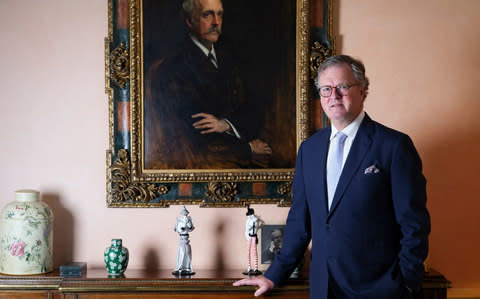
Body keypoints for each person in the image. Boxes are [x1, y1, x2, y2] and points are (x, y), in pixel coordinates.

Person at [233, 55, 430, 298]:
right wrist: (274, 274)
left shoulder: (394, 146)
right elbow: (299, 221)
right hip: (324, 288)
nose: (333, 96)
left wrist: (406, 282)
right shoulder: (310, 149)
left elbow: (414, 224)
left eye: (343, 87)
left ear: (362, 89)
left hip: (380, 288)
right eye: (326, 89)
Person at [145, 0, 272, 169]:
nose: (216, 22)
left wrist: (224, 124)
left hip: (236, 149)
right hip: (203, 161)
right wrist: (247, 149)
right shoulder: (175, 67)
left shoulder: (230, 56)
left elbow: (253, 107)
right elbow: (194, 134)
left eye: (219, 14)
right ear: (189, 21)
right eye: (207, 15)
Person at [173, 206, 195, 275]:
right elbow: (176, 228)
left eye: (186, 213)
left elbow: (191, 228)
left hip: (186, 239)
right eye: (184, 213)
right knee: (182, 252)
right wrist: (181, 228)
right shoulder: (179, 220)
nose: (185, 214)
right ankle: (180, 267)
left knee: (187, 253)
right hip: (182, 239)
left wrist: (188, 226)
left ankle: (187, 267)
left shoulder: (189, 219)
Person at [243, 206, 264, 275]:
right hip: (249, 237)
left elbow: (263, 223)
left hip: (254, 236)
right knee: (248, 251)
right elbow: (246, 229)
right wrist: (247, 236)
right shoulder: (248, 220)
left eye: (250, 214)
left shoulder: (256, 220)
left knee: (255, 252)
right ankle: (249, 267)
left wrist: (258, 227)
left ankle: (256, 268)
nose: (249, 216)